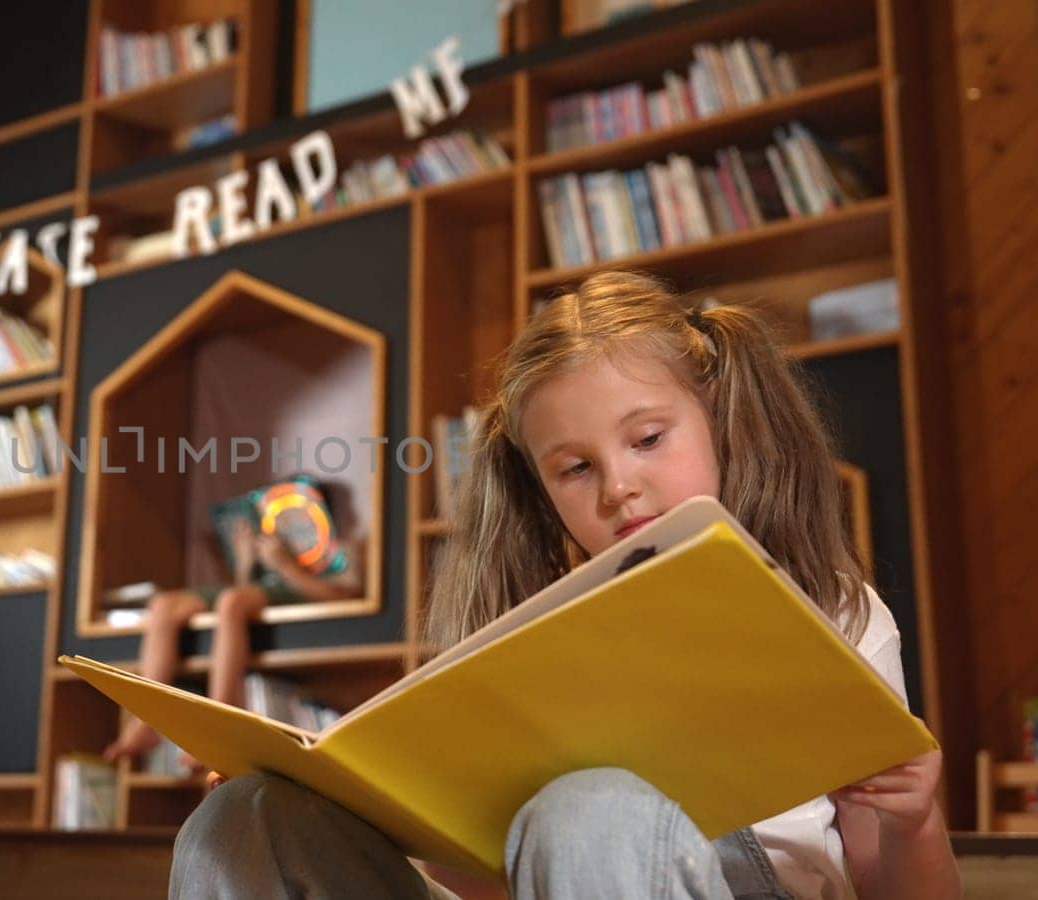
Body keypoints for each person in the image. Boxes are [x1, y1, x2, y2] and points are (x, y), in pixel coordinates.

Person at [167, 271, 960, 899]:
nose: (619, 487)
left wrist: (915, 823)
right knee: (242, 819)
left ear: (720, 420)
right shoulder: (531, 630)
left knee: (593, 810)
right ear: (541, 488)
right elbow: (487, 881)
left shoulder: (840, 612)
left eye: (648, 439)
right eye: (575, 469)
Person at [103, 476, 363, 765]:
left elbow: (345, 598)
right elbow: (246, 588)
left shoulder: (340, 548)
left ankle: (217, 726)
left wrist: (286, 566)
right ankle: (145, 720)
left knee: (231, 603)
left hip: (300, 590)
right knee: (163, 605)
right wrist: (244, 563)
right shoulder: (271, 543)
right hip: (259, 592)